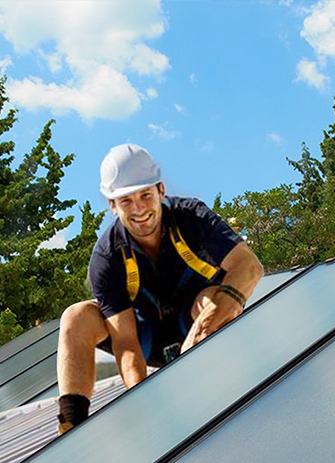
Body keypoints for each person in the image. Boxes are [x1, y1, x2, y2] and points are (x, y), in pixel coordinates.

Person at [57, 143, 264, 434]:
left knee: (210, 298)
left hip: (196, 326)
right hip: (145, 338)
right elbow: (126, 344)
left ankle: (214, 380)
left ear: (161, 191)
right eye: (126, 201)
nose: (139, 209)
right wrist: (148, 409)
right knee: (75, 316)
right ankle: (70, 428)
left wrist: (204, 327)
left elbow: (249, 267)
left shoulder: (191, 217)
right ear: (112, 205)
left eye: (145, 196)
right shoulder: (106, 258)